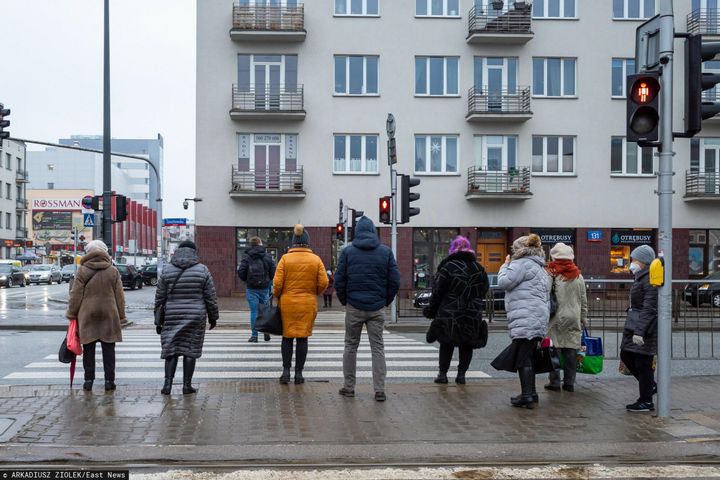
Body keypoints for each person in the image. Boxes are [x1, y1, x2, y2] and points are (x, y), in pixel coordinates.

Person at [335, 216, 400, 402]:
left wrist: (345, 300)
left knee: (350, 346)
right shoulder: (386, 252)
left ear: (356, 232)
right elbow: (395, 280)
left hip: (354, 306)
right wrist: (385, 301)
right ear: (373, 231)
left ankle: (349, 387)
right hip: (377, 307)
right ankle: (379, 389)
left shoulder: (348, 253)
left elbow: (339, 280)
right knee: (377, 348)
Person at [491, 234, 549, 409]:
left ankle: (527, 396)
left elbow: (503, 282)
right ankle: (531, 393)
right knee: (528, 355)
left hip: (525, 317)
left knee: (522, 358)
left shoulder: (520, 263)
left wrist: (504, 265)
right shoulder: (539, 266)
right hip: (537, 317)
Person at [155, 240, 219, 395]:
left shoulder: (167, 270)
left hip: (172, 315)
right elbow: (210, 296)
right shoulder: (202, 270)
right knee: (190, 350)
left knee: (171, 349)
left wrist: (158, 320)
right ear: (194, 252)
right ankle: (186, 385)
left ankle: (167, 385)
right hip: (195, 315)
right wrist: (213, 317)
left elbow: (160, 297)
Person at [423, 236, 489, 385]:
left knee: (446, 343)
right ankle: (461, 375)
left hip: (449, 312)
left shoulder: (448, 267)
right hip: (471, 313)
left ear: (452, 250)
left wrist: (431, 310)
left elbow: (438, 291)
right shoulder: (479, 268)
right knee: (467, 344)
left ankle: (443, 375)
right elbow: (484, 290)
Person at [65, 240, 126, 392]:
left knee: (89, 350)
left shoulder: (82, 270)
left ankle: (88, 381)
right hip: (109, 314)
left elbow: (75, 295)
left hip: (87, 314)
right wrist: (122, 316)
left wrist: (72, 313)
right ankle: (109, 381)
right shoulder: (113, 271)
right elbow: (120, 296)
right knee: (109, 350)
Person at [273, 224, 328, 385]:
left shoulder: (285, 259)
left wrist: (278, 296)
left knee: (287, 337)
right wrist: (313, 292)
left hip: (287, 303)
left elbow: (276, 284)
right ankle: (299, 374)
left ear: (293, 241)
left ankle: (285, 372)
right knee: (303, 338)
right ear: (307, 242)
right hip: (307, 303)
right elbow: (324, 282)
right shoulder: (315, 259)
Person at [544, 243, 588, 393]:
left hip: (556, 317)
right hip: (574, 317)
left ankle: (555, 383)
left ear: (554, 256)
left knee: (554, 351)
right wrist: (583, 318)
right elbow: (583, 299)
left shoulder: (552, 272)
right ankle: (569, 383)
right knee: (570, 352)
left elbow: (545, 293)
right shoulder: (578, 275)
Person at [620, 245, 658, 412]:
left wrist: (639, 332)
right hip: (635, 324)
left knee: (643, 362)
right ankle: (650, 387)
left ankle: (646, 400)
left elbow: (649, 308)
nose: (632, 263)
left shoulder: (650, 279)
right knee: (626, 355)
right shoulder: (640, 277)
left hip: (644, 327)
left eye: (634, 260)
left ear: (643, 262)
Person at [238, 236, 276, 342]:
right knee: (264, 311)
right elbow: (274, 271)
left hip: (251, 288)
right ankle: (266, 332)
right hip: (264, 288)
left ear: (251, 244)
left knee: (254, 312)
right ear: (260, 243)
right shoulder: (267, 256)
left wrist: (248, 280)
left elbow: (241, 272)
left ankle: (254, 336)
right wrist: (268, 279)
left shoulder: (247, 257)